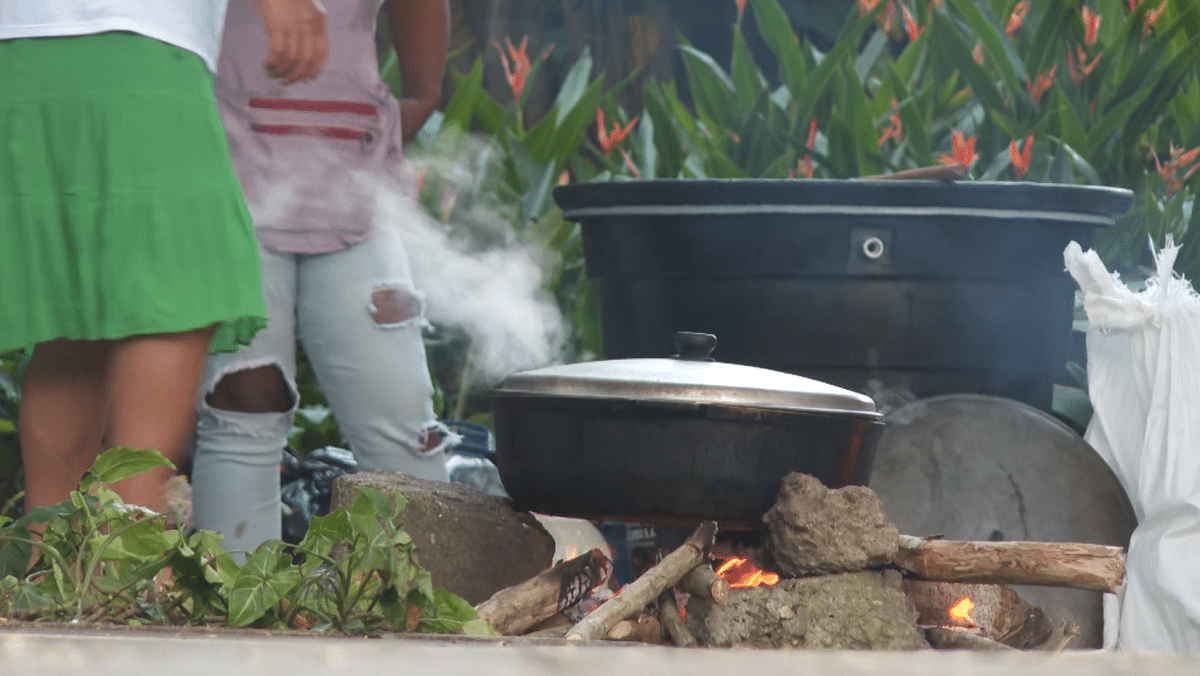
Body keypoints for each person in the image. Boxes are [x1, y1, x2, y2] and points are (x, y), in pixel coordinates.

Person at [0, 0, 329, 515]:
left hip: (22, 48)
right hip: (136, 35)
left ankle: (50, 571)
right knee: (180, 286)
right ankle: (131, 544)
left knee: (71, 319)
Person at [191, 0, 453, 555]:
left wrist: (424, 94)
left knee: (406, 423)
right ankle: (237, 613)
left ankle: (430, 606)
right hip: (228, 182)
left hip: (358, 195)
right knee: (242, 409)